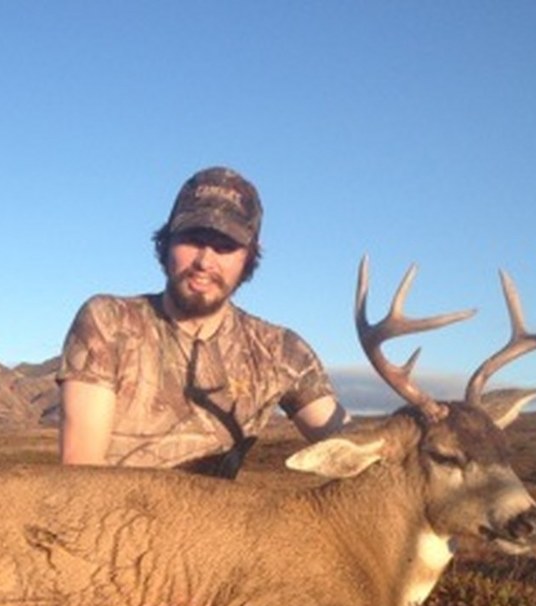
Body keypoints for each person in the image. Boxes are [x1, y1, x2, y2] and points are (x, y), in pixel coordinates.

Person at [56, 166, 348, 478]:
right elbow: (81, 474)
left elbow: (345, 442)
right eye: (193, 240)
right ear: (166, 243)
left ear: (248, 258)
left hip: (219, 525)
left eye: (225, 247)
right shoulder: (108, 322)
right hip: (114, 521)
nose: (204, 262)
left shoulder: (280, 351)